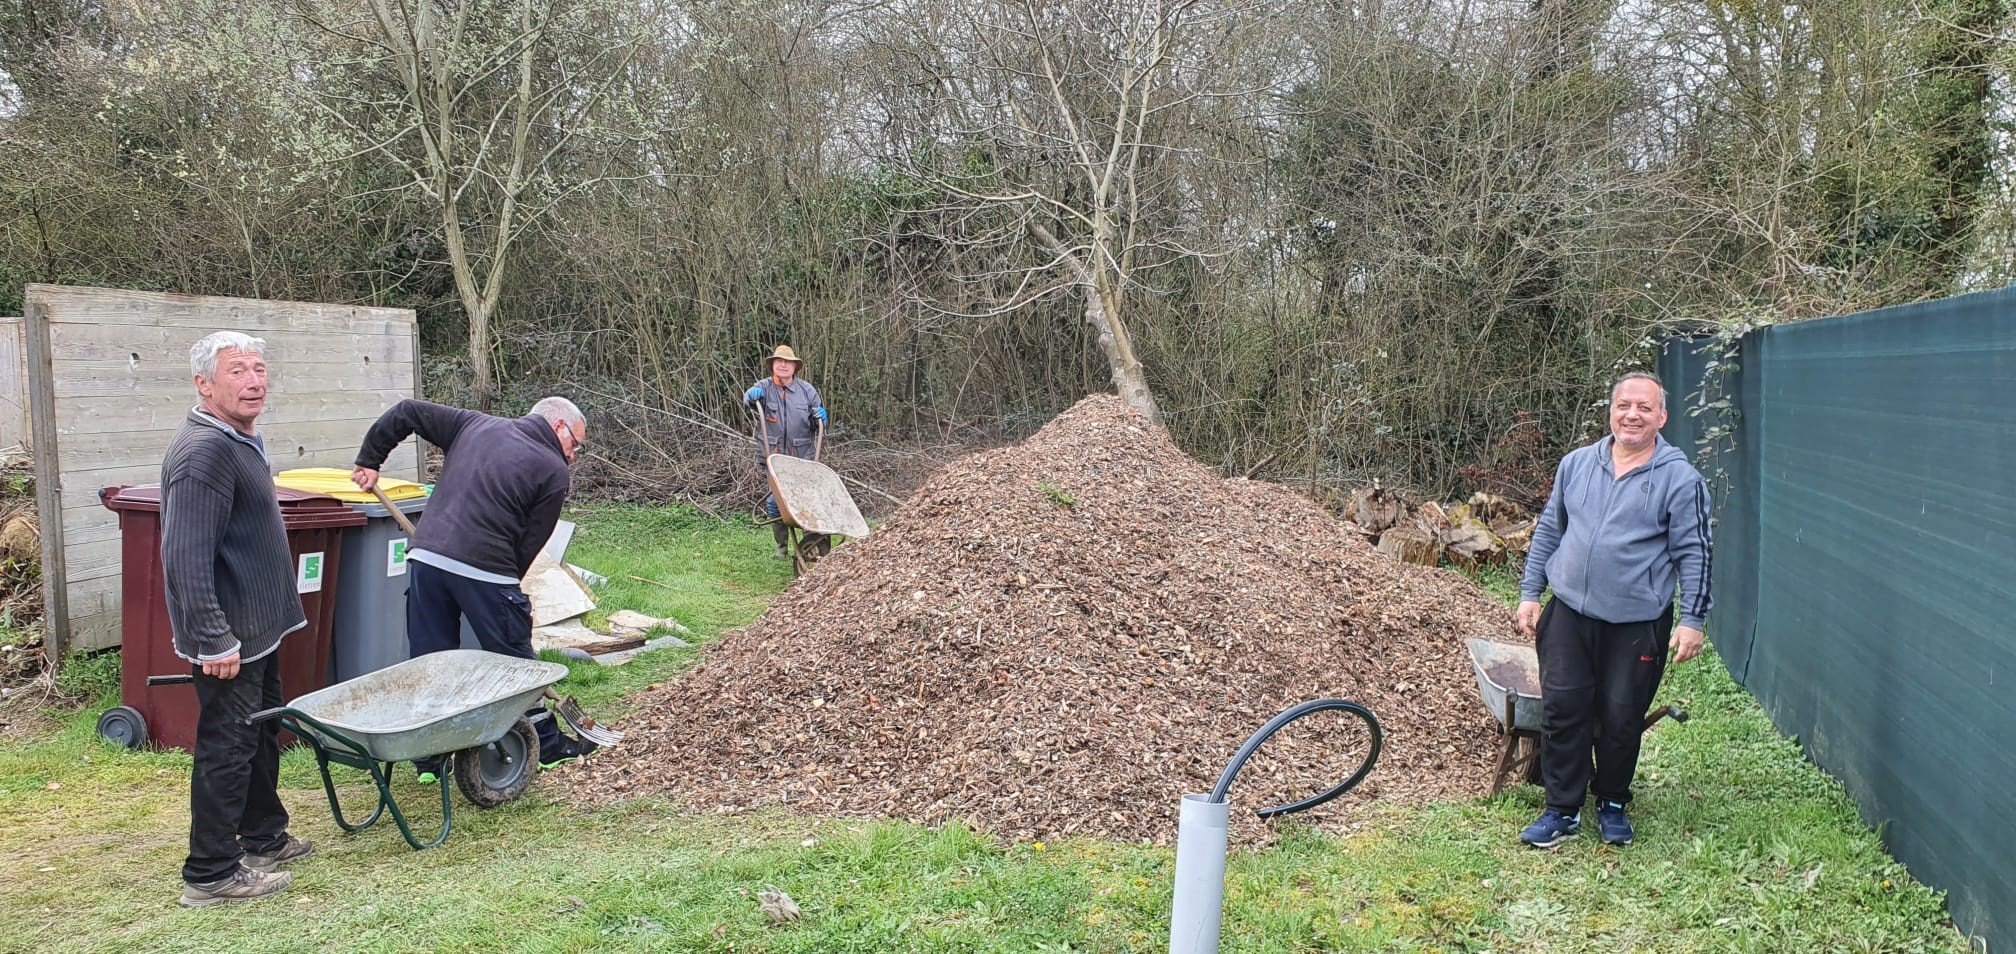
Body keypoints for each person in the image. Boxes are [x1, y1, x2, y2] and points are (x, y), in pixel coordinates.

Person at [1514, 371, 1712, 849]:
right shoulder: (1577, 464)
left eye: (1645, 407)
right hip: (1569, 614)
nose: (1633, 414)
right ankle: (1562, 809)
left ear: (1661, 417)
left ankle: (1613, 801)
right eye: (1624, 405)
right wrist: (1529, 592)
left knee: (1621, 715)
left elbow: (1696, 552)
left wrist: (1692, 620)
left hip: (1637, 623)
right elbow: (1549, 531)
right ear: (1611, 411)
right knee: (1563, 708)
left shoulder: (1680, 480)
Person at [350, 396, 596, 780]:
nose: (573, 455)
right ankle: (547, 745)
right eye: (575, 444)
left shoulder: (474, 425)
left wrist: (370, 459)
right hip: (488, 567)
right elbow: (532, 540)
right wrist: (507, 591)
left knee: (431, 660)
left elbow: (407, 411)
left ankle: (429, 759)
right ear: (559, 426)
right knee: (515, 662)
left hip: (427, 560)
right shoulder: (552, 469)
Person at [162, 331, 315, 907]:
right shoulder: (204, 453)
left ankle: (263, 838)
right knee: (227, 747)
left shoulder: (238, 437)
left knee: (258, 736)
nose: (254, 380)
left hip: (258, 627)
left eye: (259, 368)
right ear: (204, 384)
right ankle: (210, 873)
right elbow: (184, 557)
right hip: (229, 636)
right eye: (237, 371)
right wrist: (212, 638)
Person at [741, 345, 829, 558]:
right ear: (772, 365)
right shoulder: (763, 387)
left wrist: (822, 416)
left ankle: (812, 544)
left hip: (802, 458)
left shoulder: (807, 391)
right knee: (775, 502)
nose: (783, 365)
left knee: (806, 500)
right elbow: (748, 401)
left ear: (794, 367)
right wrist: (750, 397)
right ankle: (781, 547)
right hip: (774, 458)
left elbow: (819, 423)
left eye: (787, 362)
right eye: (778, 361)